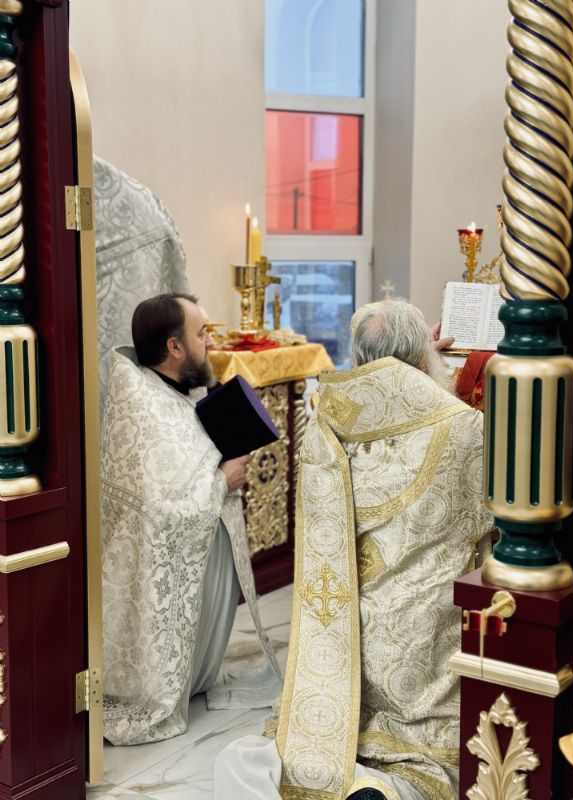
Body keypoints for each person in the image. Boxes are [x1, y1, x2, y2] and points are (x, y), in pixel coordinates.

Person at [215, 299, 493, 800]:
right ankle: (389, 788)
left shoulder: (326, 419)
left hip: (341, 634)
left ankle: (353, 777)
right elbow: (496, 521)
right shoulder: (465, 429)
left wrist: (415, 355)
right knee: (427, 766)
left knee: (288, 751)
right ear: (423, 356)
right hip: (423, 646)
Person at [101, 293, 281, 745]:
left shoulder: (171, 389)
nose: (210, 342)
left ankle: (194, 676)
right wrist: (221, 481)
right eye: (201, 333)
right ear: (175, 346)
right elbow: (161, 508)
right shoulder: (143, 406)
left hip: (205, 535)